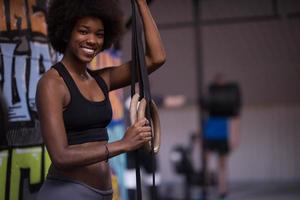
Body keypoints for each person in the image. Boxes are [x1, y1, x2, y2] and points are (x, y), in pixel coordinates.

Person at [36, 0, 166, 199]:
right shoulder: (52, 84)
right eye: (83, 31)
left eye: (99, 34)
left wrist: (141, 4)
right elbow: (60, 156)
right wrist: (123, 144)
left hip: (103, 193)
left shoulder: (101, 80)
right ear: (67, 31)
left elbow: (155, 58)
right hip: (68, 192)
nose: (92, 40)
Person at [202, 74, 241, 200]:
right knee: (205, 163)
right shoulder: (211, 96)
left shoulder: (229, 99)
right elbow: (204, 117)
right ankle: (205, 191)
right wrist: (201, 135)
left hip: (223, 133)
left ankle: (222, 192)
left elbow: (235, 118)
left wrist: (235, 137)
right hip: (210, 132)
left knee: (222, 164)